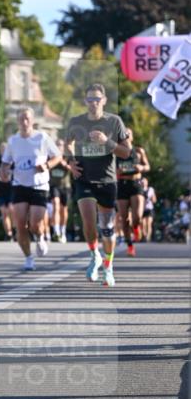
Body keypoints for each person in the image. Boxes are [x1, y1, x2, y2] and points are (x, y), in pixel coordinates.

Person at [64, 83, 130, 288]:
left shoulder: (114, 121)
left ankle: (108, 268)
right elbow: (66, 143)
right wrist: (71, 163)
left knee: (107, 229)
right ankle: (95, 255)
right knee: (88, 221)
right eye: (90, 99)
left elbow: (126, 152)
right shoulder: (77, 121)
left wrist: (106, 142)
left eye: (97, 99)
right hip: (84, 179)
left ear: (104, 101)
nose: (93, 103)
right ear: (85, 101)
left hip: (107, 180)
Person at [0, 108, 61, 270]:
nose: (24, 122)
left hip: (39, 186)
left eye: (27, 119)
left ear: (32, 120)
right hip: (19, 185)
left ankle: (40, 236)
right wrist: (3, 172)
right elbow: (5, 162)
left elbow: (58, 156)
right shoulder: (13, 141)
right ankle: (28, 258)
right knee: (20, 224)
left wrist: (47, 165)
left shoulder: (42, 137)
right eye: (21, 119)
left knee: (35, 224)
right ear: (17, 121)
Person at [116, 128, 150, 256]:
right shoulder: (116, 152)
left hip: (136, 184)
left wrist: (141, 167)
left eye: (127, 134)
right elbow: (110, 170)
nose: (125, 136)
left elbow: (147, 166)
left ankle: (136, 227)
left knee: (137, 217)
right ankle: (130, 245)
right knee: (124, 218)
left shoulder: (138, 151)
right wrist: (116, 173)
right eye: (122, 134)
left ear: (132, 137)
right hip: (122, 185)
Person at [49, 145, 72, 243]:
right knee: (56, 206)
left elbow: (73, 170)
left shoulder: (68, 158)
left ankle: (63, 231)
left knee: (64, 210)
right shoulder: (51, 158)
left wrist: (65, 164)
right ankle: (56, 231)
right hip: (54, 186)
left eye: (60, 146)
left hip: (65, 187)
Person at [141, 177, 156, 242]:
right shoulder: (139, 189)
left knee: (148, 223)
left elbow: (154, 199)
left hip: (149, 208)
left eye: (145, 181)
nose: (143, 183)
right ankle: (144, 235)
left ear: (147, 182)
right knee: (143, 223)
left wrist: (151, 199)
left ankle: (148, 236)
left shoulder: (151, 189)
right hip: (142, 209)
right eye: (142, 181)